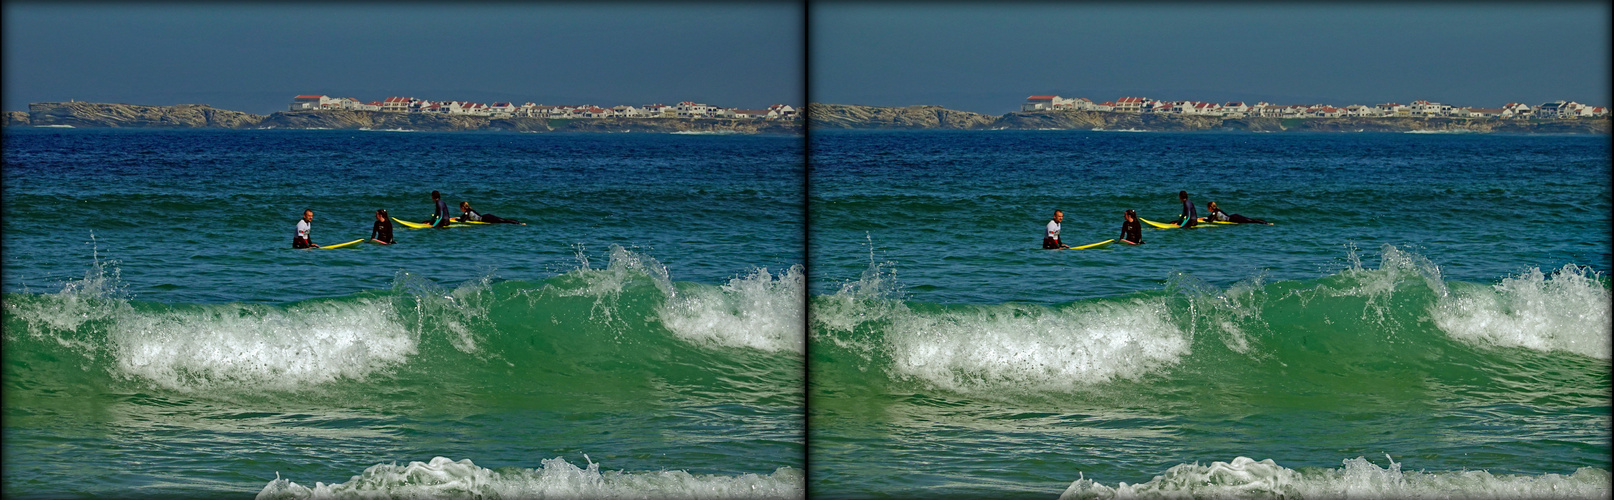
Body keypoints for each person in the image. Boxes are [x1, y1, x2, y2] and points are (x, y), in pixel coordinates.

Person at [455, 201, 524, 225]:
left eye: (460, 207)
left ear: (463, 207)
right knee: (503, 220)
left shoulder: (468, 212)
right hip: (486, 217)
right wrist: (456, 218)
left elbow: (463, 220)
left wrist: (455, 219)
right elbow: (463, 217)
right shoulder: (470, 210)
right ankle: (518, 223)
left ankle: (518, 223)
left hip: (486, 218)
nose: (460, 208)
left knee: (503, 221)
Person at [1203, 201, 1272, 225]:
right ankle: (1265, 222)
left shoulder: (1215, 212)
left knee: (1250, 221)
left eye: (1207, 207)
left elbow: (1210, 220)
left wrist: (1203, 220)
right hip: (1234, 216)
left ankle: (1265, 223)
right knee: (1250, 220)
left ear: (1210, 208)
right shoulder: (1217, 210)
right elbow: (1210, 217)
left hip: (1233, 218)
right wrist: (1203, 218)